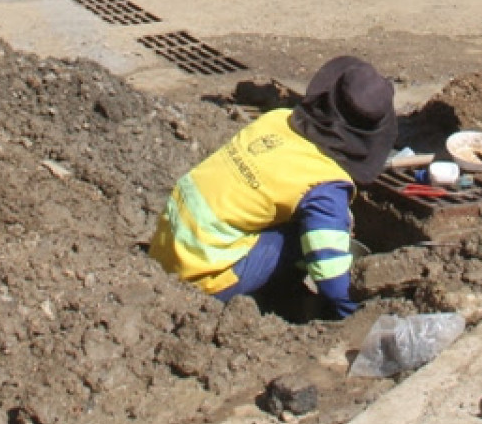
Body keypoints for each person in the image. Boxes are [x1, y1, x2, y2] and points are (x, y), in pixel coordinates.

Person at [150, 56, 396, 318]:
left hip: (167, 246)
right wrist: (355, 315)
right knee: (304, 238)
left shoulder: (278, 120)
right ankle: (283, 299)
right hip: (202, 277)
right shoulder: (325, 181)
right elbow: (331, 274)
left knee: (300, 219)